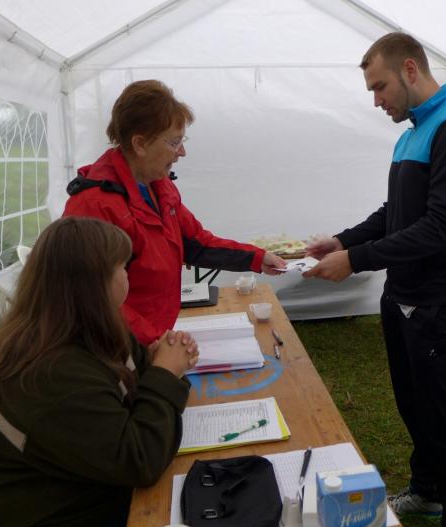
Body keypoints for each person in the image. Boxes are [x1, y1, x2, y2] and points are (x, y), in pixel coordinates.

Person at [304, 32, 446, 527]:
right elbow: (398, 212)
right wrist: (341, 240)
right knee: (413, 404)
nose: (377, 100)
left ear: (410, 70)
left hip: (441, 299)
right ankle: (429, 491)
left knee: (442, 415)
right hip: (404, 294)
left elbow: (442, 227)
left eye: (380, 86)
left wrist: (355, 260)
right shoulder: (413, 132)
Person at [0, 217, 199, 527]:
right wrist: (166, 371)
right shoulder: (47, 372)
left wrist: (165, 367)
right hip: (36, 522)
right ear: (95, 284)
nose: (128, 274)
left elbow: (144, 381)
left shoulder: (72, 329)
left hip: (66, 496)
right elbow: (140, 460)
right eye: (123, 267)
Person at [64, 80, 286, 345]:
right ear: (140, 144)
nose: (182, 151)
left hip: (156, 338)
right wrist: (155, 346)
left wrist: (257, 258)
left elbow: (197, 242)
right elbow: (94, 300)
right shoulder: (93, 207)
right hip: (118, 348)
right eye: (174, 142)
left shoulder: (160, 188)